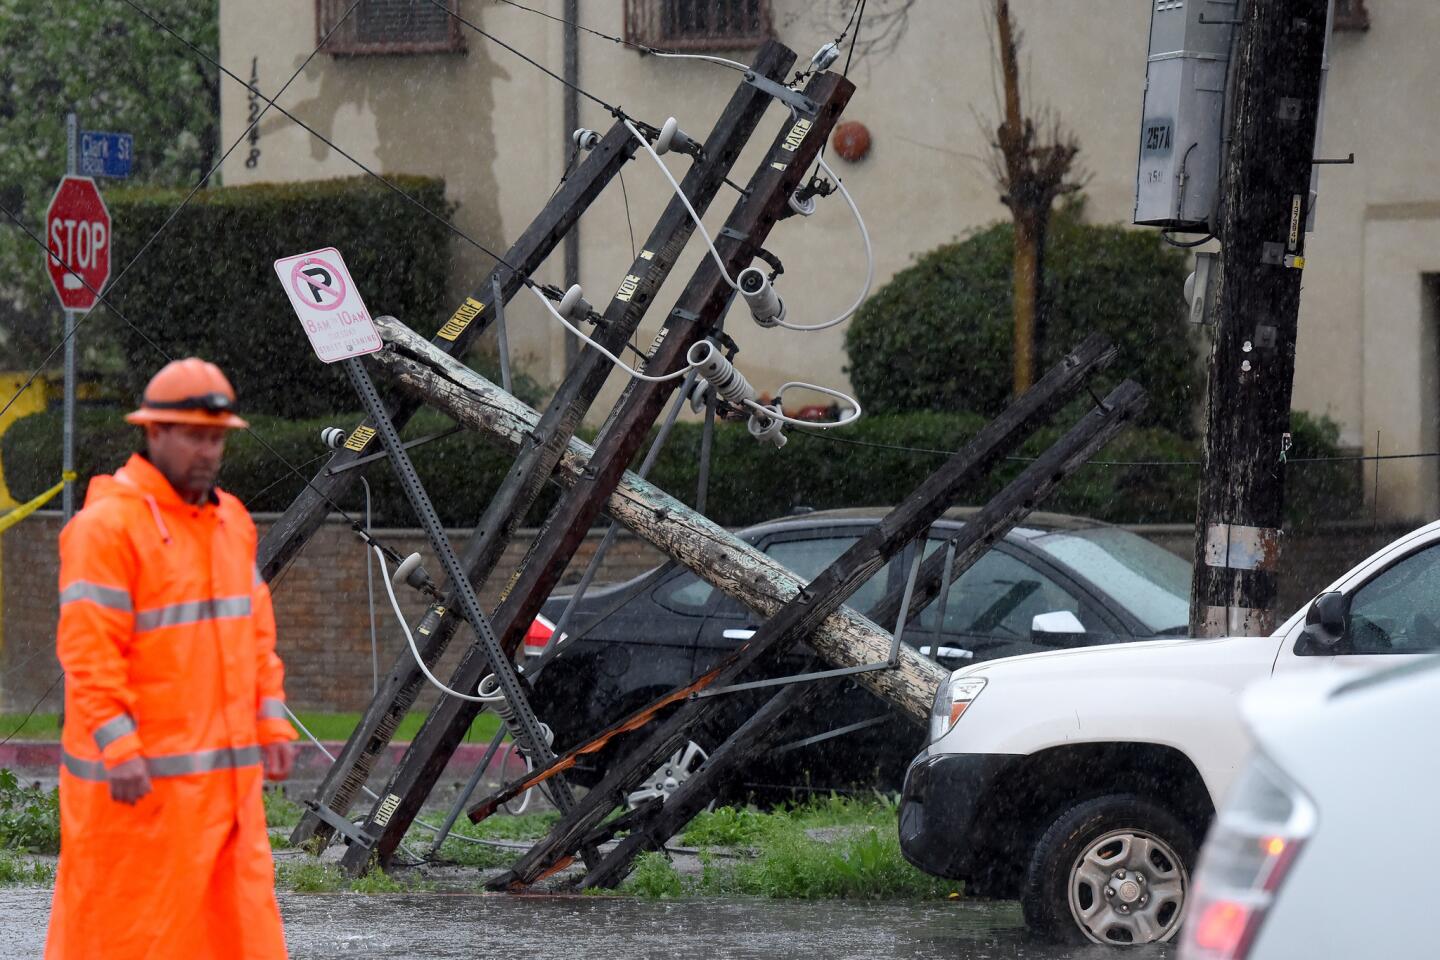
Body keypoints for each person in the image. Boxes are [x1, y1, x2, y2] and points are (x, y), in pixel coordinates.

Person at [45, 358, 297, 960]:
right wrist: (121, 747)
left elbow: (254, 634)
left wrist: (271, 719)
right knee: (130, 939)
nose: (208, 451)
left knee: (229, 939)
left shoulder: (230, 522)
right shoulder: (107, 529)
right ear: (154, 433)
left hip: (224, 802)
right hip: (142, 798)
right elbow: (89, 650)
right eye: (194, 436)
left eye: (216, 438)